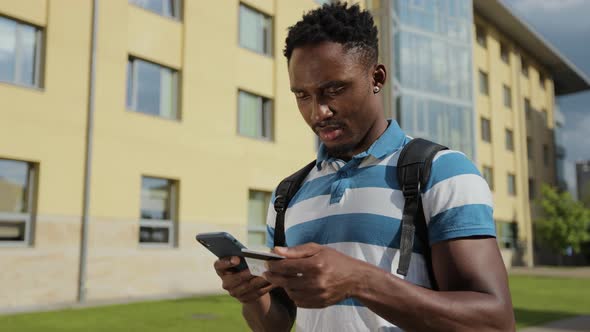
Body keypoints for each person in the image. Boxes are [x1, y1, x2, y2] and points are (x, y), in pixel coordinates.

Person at [213, 3, 515, 331]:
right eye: (302, 95)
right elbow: (277, 324)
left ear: (377, 77)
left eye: (334, 89)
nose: (318, 112)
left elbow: (495, 323)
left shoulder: (442, 172)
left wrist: (360, 281)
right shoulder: (288, 194)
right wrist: (250, 295)